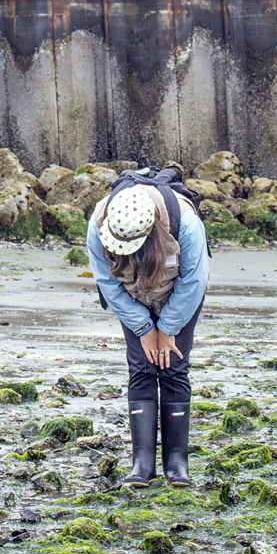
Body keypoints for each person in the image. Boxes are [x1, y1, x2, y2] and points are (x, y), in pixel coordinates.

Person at [87, 168, 209, 488]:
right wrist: (143, 328)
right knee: (141, 367)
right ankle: (142, 462)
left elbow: (193, 281)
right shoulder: (99, 221)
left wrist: (167, 328)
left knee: (173, 365)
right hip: (131, 298)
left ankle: (176, 462)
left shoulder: (184, 221)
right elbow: (107, 283)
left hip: (179, 296)